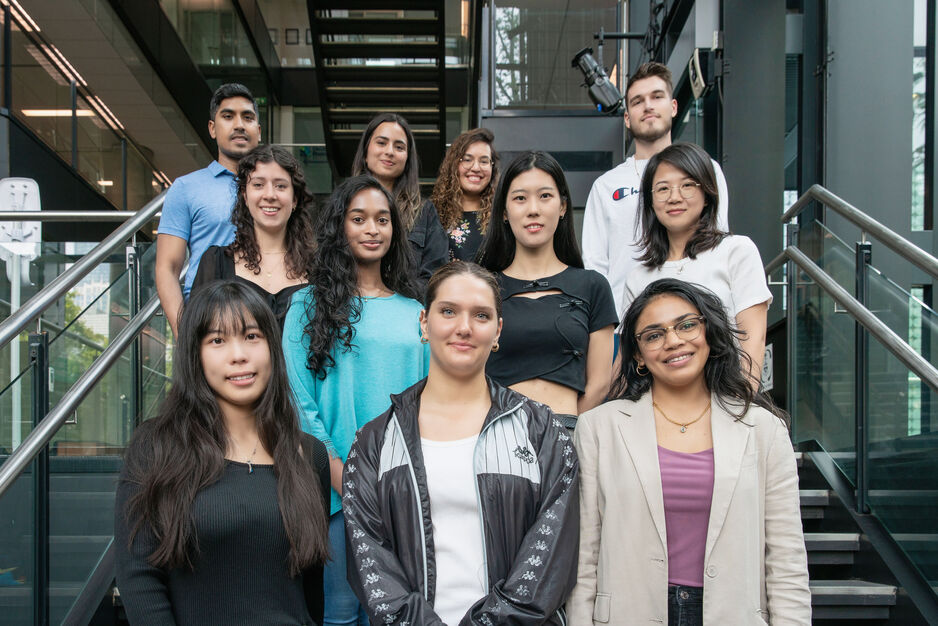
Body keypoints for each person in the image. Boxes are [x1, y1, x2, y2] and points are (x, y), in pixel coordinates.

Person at [343, 261, 579, 625]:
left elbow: (550, 559)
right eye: (448, 311)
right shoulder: (374, 442)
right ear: (424, 322)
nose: (464, 328)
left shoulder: (541, 430)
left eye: (481, 315)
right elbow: (371, 562)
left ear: (498, 330)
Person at [567, 279, 811, 625]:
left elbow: (786, 558)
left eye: (686, 325)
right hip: (628, 612)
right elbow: (584, 554)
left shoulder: (764, 430)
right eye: (653, 335)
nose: (673, 341)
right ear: (636, 354)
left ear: (708, 331)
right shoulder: (598, 428)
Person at [114, 280, 331, 625]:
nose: (239, 355)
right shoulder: (156, 446)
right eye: (217, 340)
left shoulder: (309, 454)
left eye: (251, 336)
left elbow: (311, 586)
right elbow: (139, 576)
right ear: (195, 354)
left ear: (272, 347)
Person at [282, 175, 429, 626]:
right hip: (335, 491)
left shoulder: (417, 311)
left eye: (382, 219)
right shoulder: (307, 305)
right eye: (358, 218)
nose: (372, 229)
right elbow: (297, 399)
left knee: (399, 615)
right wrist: (343, 477)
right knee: (342, 616)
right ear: (339, 228)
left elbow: (433, 398)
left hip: (403, 492)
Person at [477, 150, 618, 429]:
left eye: (545, 196)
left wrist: (559, 435)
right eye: (520, 198)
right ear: (504, 212)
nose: (533, 209)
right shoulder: (483, 288)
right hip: (497, 432)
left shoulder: (593, 286)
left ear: (563, 206)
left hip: (568, 430)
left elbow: (600, 383)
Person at [582, 62, 729, 323]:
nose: (648, 106)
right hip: (624, 324)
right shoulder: (606, 186)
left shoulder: (707, 170)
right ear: (627, 118)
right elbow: (595, 268)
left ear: (673, 107)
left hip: (696, 317)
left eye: (656, 97)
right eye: (637, 101)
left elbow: (716, 242)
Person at [623, 142, 771, 385]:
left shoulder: (737, 252)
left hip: (726, 400)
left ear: (707, 195)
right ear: (650, 202)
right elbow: (631, 359)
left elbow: (753, 340)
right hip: (659, 409)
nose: (674, 197)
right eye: (662, 189)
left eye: (687, 186)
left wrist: (740, 408)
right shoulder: (638, 276)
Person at [156, 83, 261, 337]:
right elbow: (167, 268)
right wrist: (184, 334)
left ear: (258, 130)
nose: (239, 125)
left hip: (263, 311)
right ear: (212, 129)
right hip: (207, 315)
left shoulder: (277, 189)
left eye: (247, 117)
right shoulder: (186, 187)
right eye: (228, 116)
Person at [191, 145, 315, 333]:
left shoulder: (319, 267)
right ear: (245, 196)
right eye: (258, 185)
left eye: (280, 186)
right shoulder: (215, 262)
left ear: (295, 199)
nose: (270, 195)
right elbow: (196, 339)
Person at [351, 112, 448, 286]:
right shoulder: (343, 205)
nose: (389, 152)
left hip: (409, 308)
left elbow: (436, 277)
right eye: (381, 143)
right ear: (365, 152)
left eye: (399, 147)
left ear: (407, 159)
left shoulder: (424, 212)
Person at [429, 127, 499, 262]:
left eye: (484, 161)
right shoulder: (433, 214)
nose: (476, 168)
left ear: (492, 168)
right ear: (454, 165)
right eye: (467, 159)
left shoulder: (503, 214)